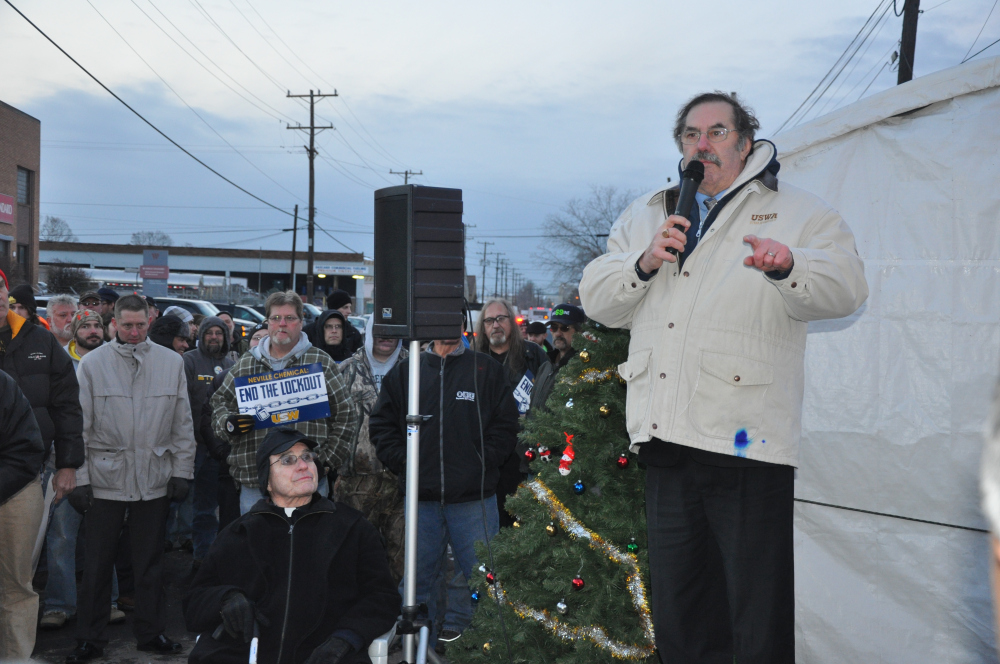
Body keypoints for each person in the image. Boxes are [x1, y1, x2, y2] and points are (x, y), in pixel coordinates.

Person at [578, 91, 868, 663]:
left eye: (715, 132)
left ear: (744, 142)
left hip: (745, 443)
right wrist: (643, 263)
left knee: (755, 617)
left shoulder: (798, 211)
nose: (701, 144)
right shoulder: (646, 213)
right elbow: (598, 300)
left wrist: (790, 265)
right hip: (664, 438)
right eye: (690, 134)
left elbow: (849, 289)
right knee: (682, 615)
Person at [184, 427, 400, 664]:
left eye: (307, 457)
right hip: (245, 653)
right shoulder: (239, 533)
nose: (303, 465)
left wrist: (346, 638)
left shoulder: (353, 528)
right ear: (267, 480)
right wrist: (226, 598)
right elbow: (195, 602)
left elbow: (382, 597)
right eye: (287, 460)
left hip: (325, 654)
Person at [66, 294, 196, 661]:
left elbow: (181, 423)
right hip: (105, 478)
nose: (135, 332)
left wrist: (181, 471)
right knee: (97, 566)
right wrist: (80, 477)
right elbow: (80, 427)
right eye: (127, 326)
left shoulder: (172, 363)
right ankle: (89, 639)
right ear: (114, 325)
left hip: (154, 478)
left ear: (149, 322)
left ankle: (151, 633)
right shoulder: (92, 364)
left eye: (141, 325)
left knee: (151, 565)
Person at [371, 332, 519, 645]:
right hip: (420, 500)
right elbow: (381, 425)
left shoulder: (485, 370)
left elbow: (506, 426)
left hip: (473, 499)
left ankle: (478, 640)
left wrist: (479, 463)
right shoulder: (407, 371)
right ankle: (420, 641)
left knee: (483, 576)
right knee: (418, 579)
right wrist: (407, 462)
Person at [210, 291, 356, 514]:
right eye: (276, 318)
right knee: (259, 546)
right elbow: (220, 402)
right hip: (255, 479)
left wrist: (325, 461)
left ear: (301, 323)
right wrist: (229, 424)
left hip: (306, 478)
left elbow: (346, 415)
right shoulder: (247, 363)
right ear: (267, 322)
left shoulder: (320, 361)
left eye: (290, 318)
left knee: (308, 545)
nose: (282, 324)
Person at [0, 271, 84, 571]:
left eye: (0, 287)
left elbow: (67, 406)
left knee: (20, 575)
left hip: (30, 472)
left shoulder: (41, 340)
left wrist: (68, 464)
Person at [39, 309, 109, 631]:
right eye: (86, 326)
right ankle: (59, 604)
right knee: (61, 537)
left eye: (98, 325)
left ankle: (107, 602)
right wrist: (61, 459)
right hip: (66, 461)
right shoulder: (59, 363)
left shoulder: (114, 361)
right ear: (74, 330)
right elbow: (57, 411)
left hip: (107, 463)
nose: (93, 331)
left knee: (104, 537)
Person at [334, 315, 408, 582]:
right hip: (355, 483)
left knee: (401, 558)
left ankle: (397, 614)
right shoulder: (344, 370)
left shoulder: (416, 368)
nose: (385, 336)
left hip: (403, 482)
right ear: (367, 333)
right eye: (379, 330)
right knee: (352, 553)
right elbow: (328, 422)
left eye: (391, 330)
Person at [0, 370, 46, 661]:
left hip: (14, 490)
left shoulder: (4, 385)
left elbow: (26, 449)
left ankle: (16, 658)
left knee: (15, 584)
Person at [183, 316, 235, 568]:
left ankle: (213, 558)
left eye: (219, 333)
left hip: (220, 448)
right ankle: (199, 557)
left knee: (217, 508)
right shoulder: (189, 361)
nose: (214, 337)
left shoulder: (232, 363)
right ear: (201, 335)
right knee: (197, 507)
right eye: (209, 333)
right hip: (194, 445)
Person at [306, 289, 362, 355]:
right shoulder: (309, 331)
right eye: (345, 307)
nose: (349, 311)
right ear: (334, 309)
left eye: (338, 327)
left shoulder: (353, 333)